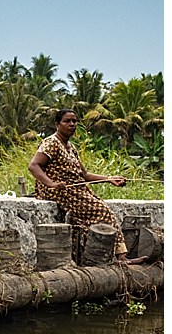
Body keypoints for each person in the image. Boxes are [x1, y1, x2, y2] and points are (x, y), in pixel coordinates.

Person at [28, 109, 138, 263]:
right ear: (57, 124)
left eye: (74, 121)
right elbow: (34, 166)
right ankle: (122, 256)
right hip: (61, 192)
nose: (72, 124)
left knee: (86, 225)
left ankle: (96, 259)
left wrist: (109, 179)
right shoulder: (51, 142)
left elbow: (84, 175)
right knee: (104, 212)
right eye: (67, 121)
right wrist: (52, 184)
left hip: (76, 190)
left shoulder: (71, 147)